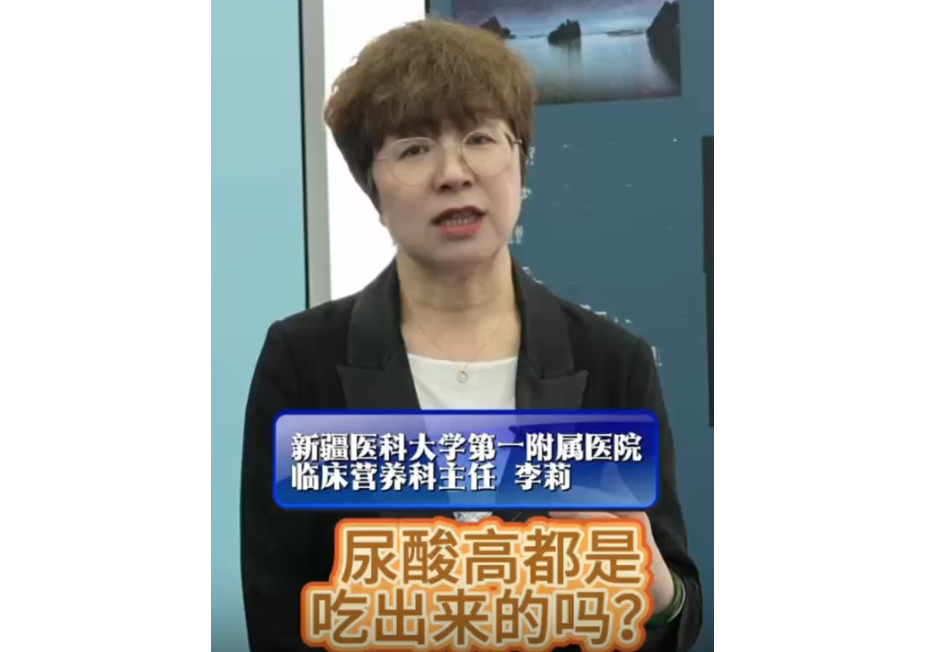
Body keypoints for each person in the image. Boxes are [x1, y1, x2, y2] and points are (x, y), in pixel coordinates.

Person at [240, 18, 702, 652]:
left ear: (520, 161)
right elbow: (278, 612)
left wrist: (662, 595)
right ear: (372, 187)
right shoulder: (303, 361)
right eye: (414, 149)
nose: (453, 173)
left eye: (480, 138)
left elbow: (676, 611)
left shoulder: (611, 362)